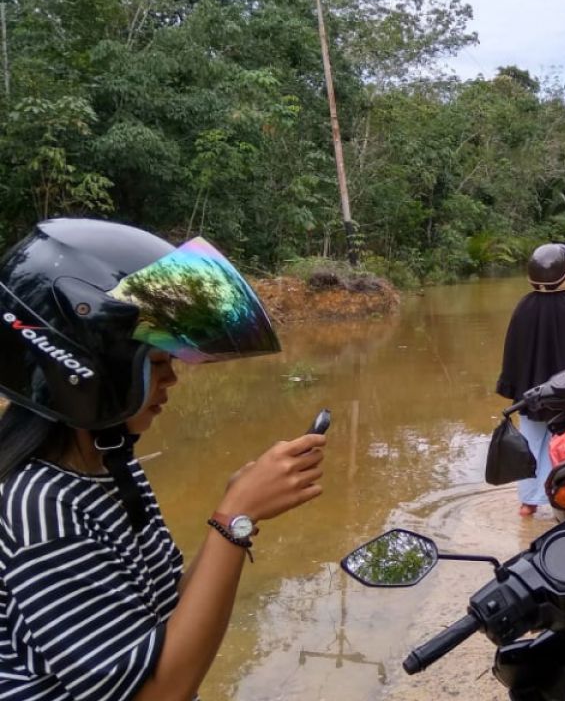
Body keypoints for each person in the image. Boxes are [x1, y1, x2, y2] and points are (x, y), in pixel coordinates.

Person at [0, 218, 325, 700]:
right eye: (155, 363)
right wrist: (234, 517)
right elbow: (158, 692)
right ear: (83, 370)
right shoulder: (37, 509)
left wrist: (239, 512)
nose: (172, 380)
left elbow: (165, 617)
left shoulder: (110, 464)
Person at [497, 243, 565, 516]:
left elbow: (513, 351)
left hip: (529, 393)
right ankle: (563, 498)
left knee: (531, 444)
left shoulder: (524, 306)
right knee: (564, 443)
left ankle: (528, 502)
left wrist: (514, 388)